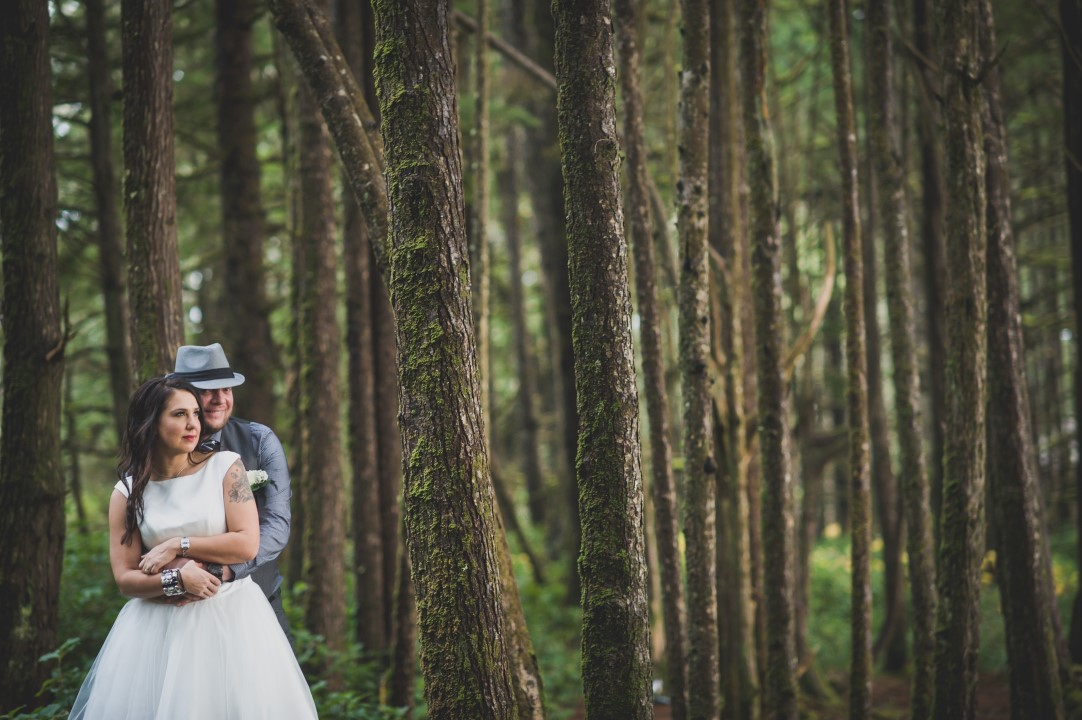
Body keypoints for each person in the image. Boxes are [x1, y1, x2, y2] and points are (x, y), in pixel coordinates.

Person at [68, 376, 317, 719]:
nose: (193, 424)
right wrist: (178, 581)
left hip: (233, 619)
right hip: (156, 630)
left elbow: (246, 544)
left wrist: (178, 545)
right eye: (179, 414)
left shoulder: (227, 467)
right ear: (151, 423)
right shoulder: (126, 492)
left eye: (196, 414)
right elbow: (125, 578)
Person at [167, 342, 293, 638]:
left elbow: (277, 526)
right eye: (208, 389)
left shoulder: (259, 441)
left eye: (227, 389)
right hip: (181, 614)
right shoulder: (159, 453)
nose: (220, 399)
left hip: (257, 607)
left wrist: (220, 571)